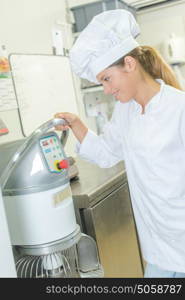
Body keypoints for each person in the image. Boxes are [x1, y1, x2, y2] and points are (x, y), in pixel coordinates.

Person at [54, 9, 185, 278]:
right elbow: (106, 153)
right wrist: (77, 124)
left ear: (129, 63)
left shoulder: (178, 107)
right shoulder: (127, 111)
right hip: (158, 245)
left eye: (106, 78)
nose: (106, 89)